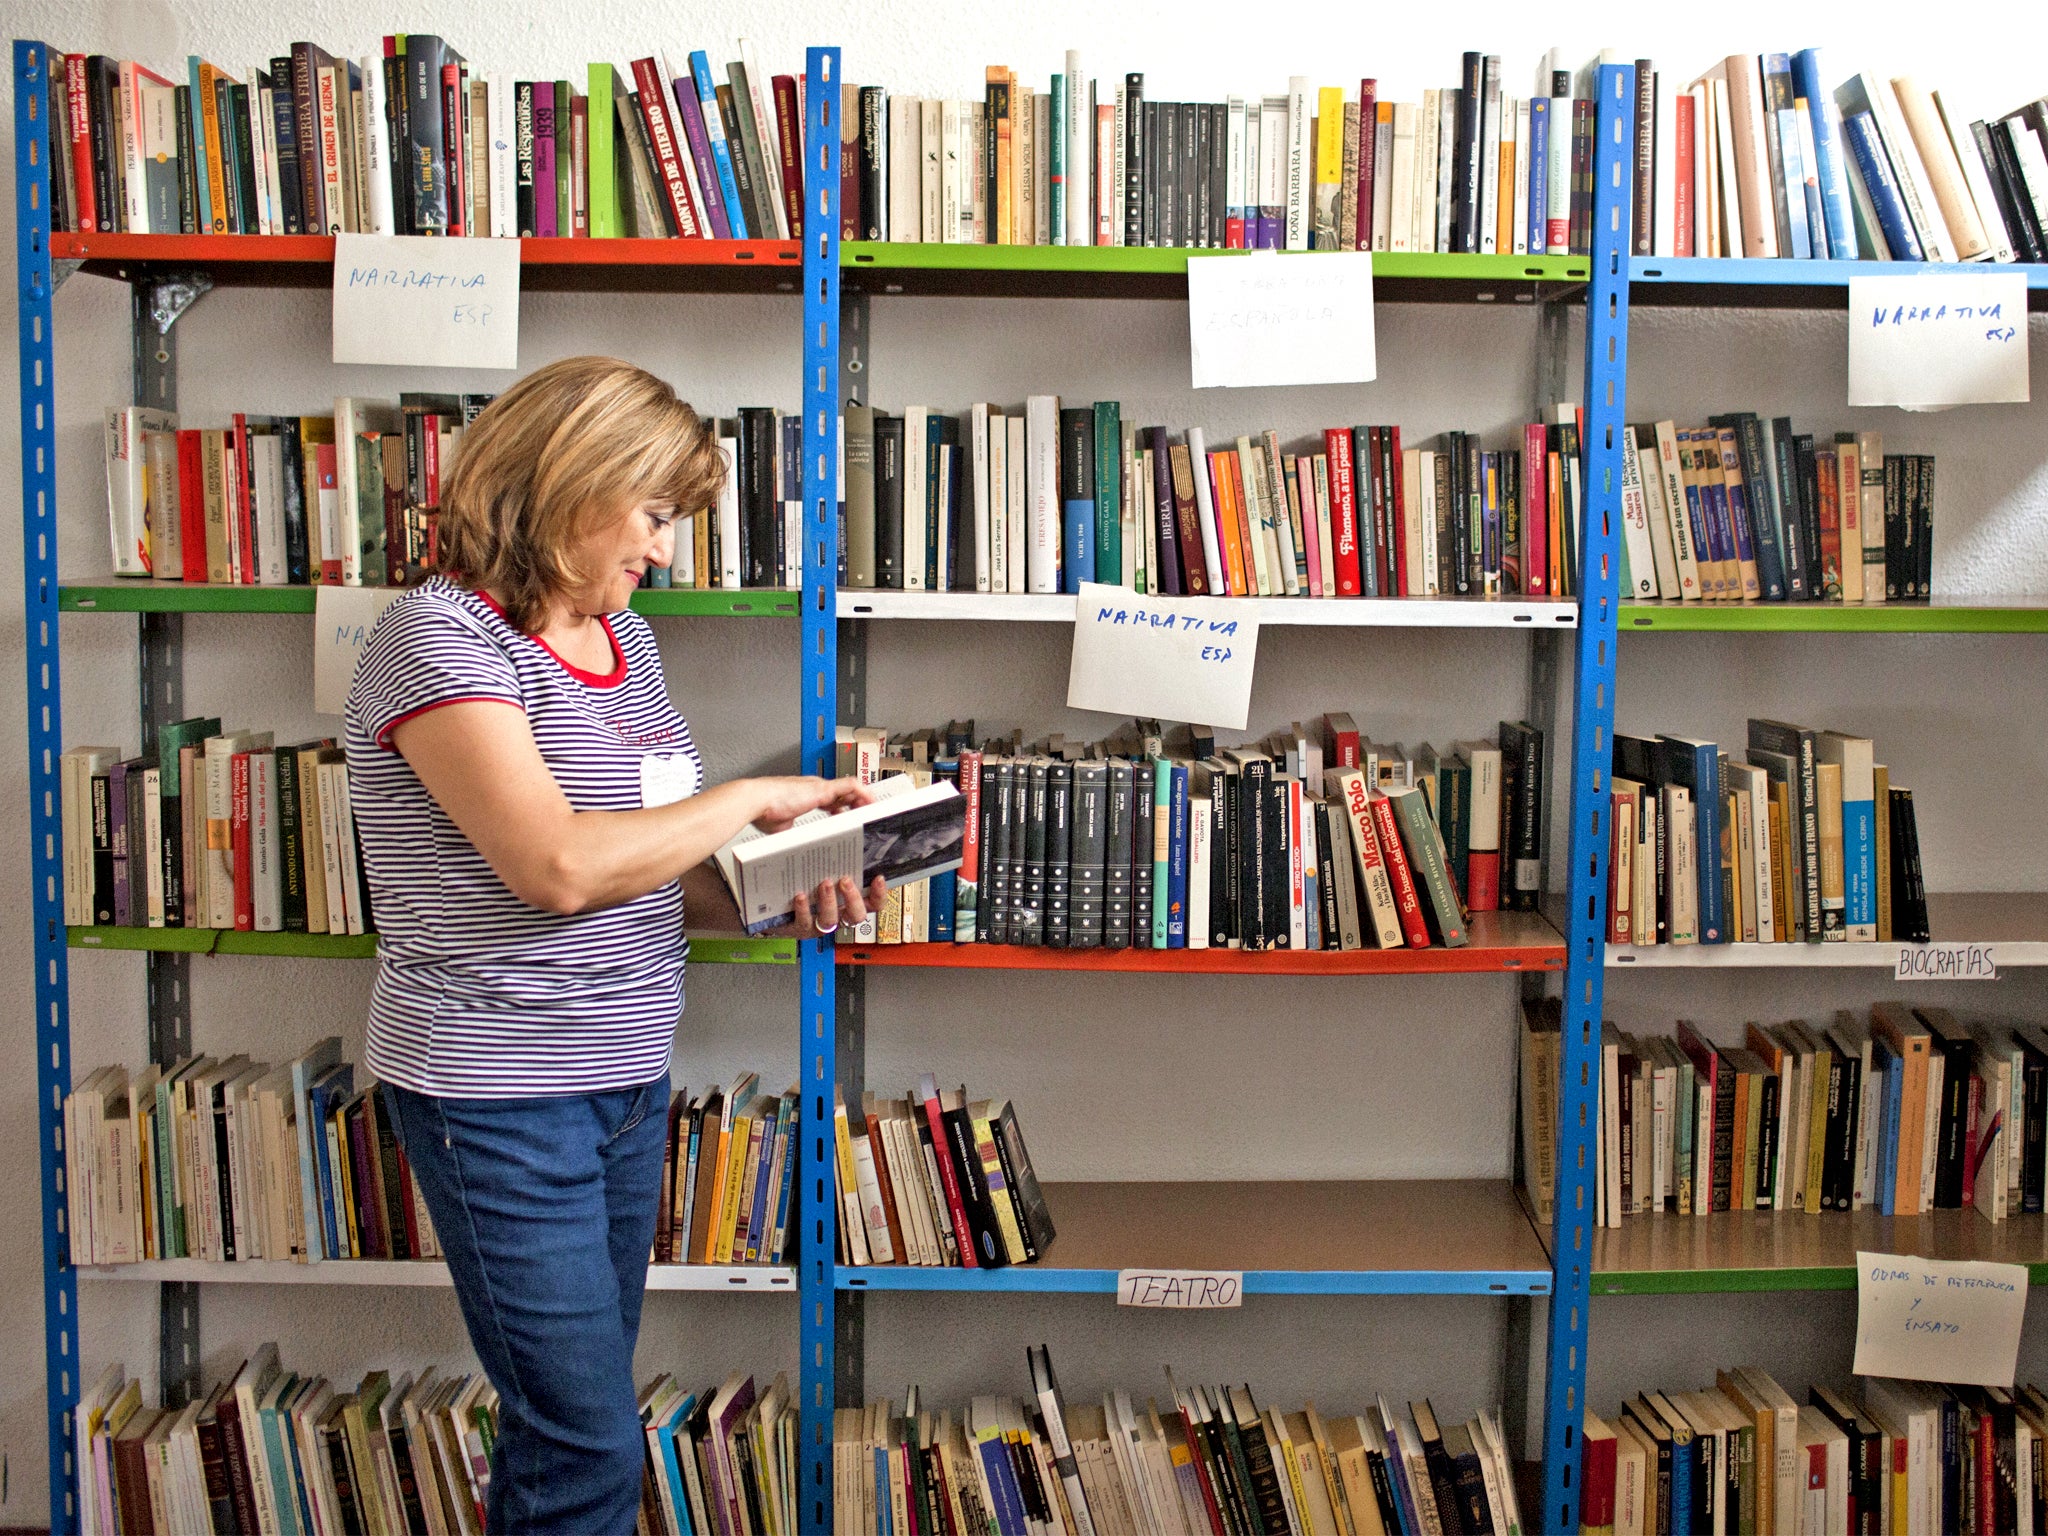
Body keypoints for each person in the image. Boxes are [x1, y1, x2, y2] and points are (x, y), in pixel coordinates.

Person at [343, 355, 881, 1534]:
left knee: (576, 1417)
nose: (665, 550)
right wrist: (748, 799)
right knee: (582, 1442)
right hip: (496, 1094)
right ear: (570, 483)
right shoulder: (436, 640)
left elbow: (644, 876)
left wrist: (774, 887)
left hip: (626, 1084)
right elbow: (556, 868)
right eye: (652, 514)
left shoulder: (621, 642)